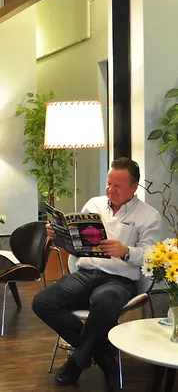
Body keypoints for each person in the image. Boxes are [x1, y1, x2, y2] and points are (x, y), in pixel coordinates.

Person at [32, 157, 161, 391]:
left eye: (118, 185)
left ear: (134, 187)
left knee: (105, 303)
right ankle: (103, 353)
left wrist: (126, 251)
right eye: (109, 183)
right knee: (42, 302)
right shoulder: (94, 204)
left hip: (119, 280)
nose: (111, 190)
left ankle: (76, 364)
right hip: (85, 274)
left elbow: (152, 257)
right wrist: (59, 236)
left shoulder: (148, 215)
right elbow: (76, 243)